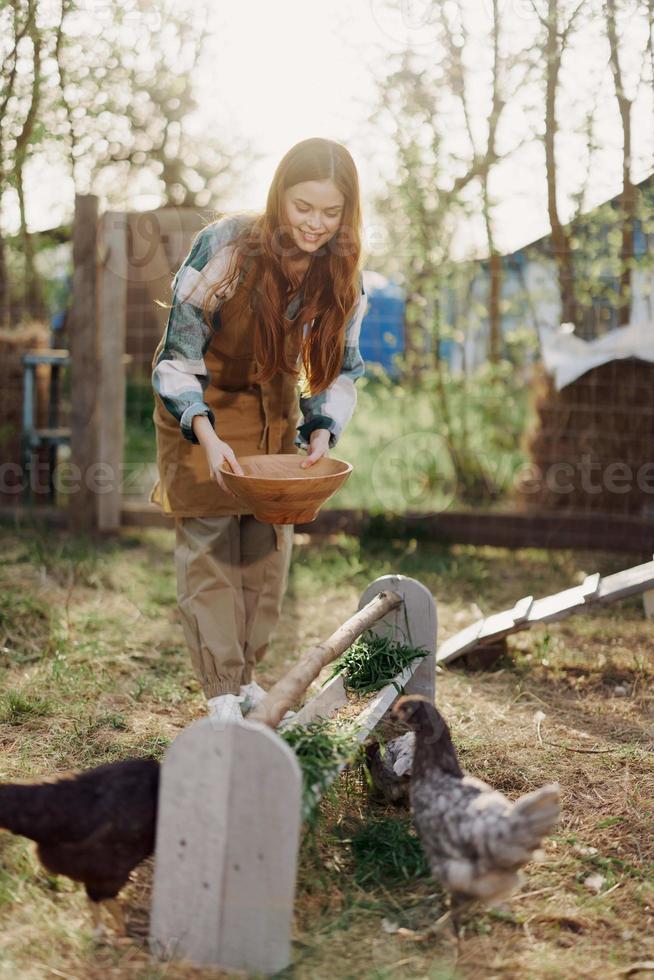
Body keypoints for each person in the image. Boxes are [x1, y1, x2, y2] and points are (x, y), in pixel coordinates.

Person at [150, 137, 368, 723]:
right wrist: (207, 434)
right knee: (213, 549)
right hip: (203, 405)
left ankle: (247, 680)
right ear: (279, 197)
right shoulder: (225, 245)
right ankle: (222, 692)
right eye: (303, 207)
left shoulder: (342, 271)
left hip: (276, 411)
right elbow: (176, 355)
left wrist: (321, 430)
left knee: (266, 551)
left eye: (331, 212)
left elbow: (339, 369)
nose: (316, 224)